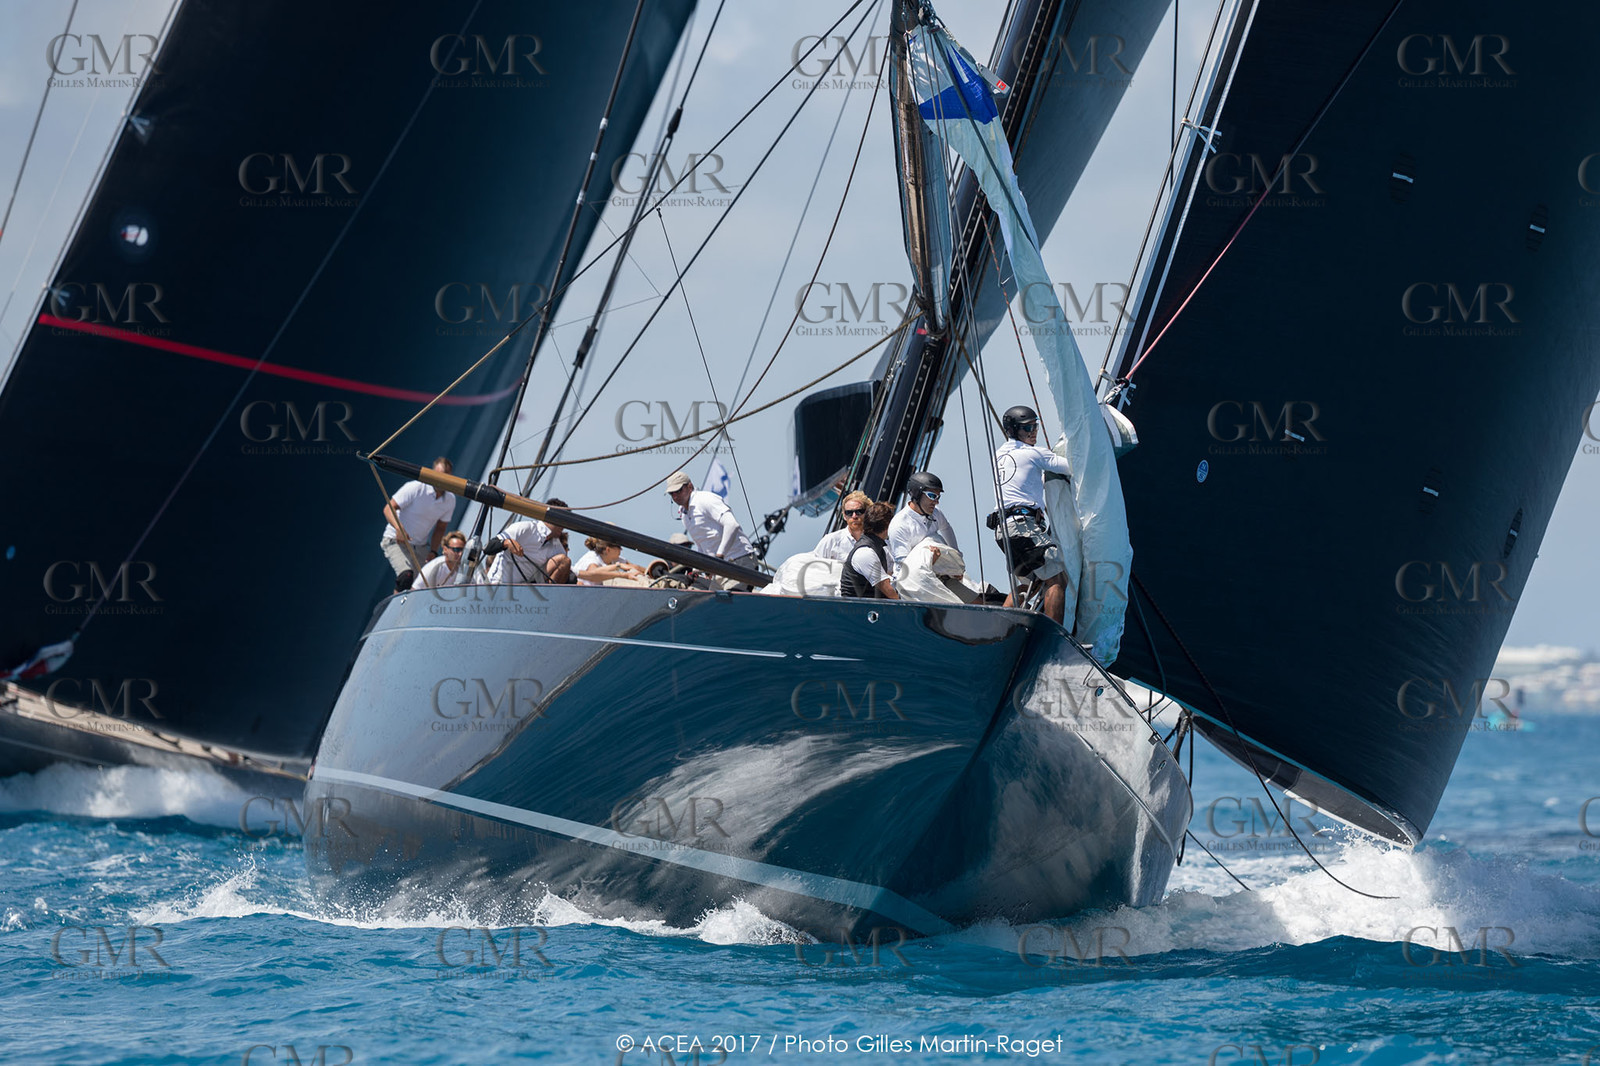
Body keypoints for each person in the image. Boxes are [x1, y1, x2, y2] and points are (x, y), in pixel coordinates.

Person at [993, 405, 1071, 623]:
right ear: (1014, 429)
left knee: (1031, 582)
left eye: (1035, 426)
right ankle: (1053, 637)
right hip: (1023, 525)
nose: (1034, 431)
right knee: (1056, 578)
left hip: (1003, 531)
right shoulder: (1033, 453)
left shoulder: (999, 454)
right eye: (1027, 427)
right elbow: (1074, 466)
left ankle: (1002, 629)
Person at [381, 456, 457, 592]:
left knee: (423, 586)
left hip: (420, 547)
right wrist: (399, 529)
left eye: (446, 477)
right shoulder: (415, 488)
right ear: (432, 473)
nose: (441, 480)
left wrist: (433, 551)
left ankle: (410, 612)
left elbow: (440, 528)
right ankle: (398, 611)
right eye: (438, 475)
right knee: (406, 577)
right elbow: (389, 508)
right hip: (397, 541)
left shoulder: (450, 500)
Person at [665, 471, 755, 586]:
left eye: (679, 491)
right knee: (712, 603)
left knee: (729, 602)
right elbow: (702, 545)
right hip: (719, 569)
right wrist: (698, 568)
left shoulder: (705, 500)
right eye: (672, 494)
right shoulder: (685, 515)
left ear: (690, 486)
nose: (676, 496)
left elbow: (732, 525)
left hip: (738, 561)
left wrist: (719, 555)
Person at [482, 498, 573, 584]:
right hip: (497, 585)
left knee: (564, 562)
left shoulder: (557, 548)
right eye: (562, 520)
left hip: (523, 593)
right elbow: (488, 548)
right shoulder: (524, 528)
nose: (564, 526)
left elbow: (570, 577)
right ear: (551, 517)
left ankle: (548, 597)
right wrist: (506, 543)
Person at [886, 471, 958, 567]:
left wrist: (957, 559)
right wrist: (929, 562)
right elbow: (903, 567)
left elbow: (946, 528)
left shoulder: (936, 513)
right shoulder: (899, 525)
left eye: (938, 497)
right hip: (914, 576)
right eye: (932, 496)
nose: (936, 502)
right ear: (917, 494)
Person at [839, 502, 899, 599]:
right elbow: (887, 589)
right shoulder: (865, 552)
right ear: (888, 525)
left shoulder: (880, 548)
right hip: (857, 610)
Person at [813, 491, 872, 560]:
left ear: (867, 512)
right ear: (844, 515)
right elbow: (815, 567)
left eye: (859, 511)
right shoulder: (831, 541)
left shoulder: (877, 541)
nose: (854, 516)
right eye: (849, 513)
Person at [573, 536, 648, 587]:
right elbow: (593, 574)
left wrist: (650, 571)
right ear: (608, 550)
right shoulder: (592, 559)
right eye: (618, 547)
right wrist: (618, 567)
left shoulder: (613, 557)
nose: (621, 549)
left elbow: (633, 567)